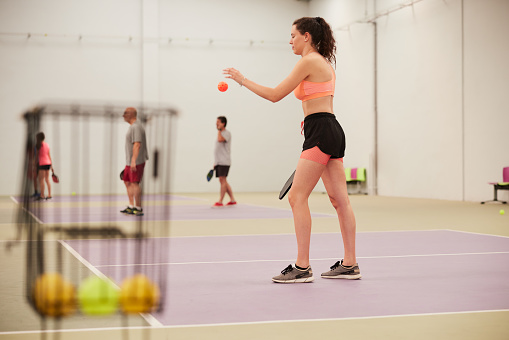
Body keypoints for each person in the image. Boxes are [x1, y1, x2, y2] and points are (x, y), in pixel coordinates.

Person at [223, 17, 361, 283]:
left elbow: (275, 95)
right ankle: (350, 264)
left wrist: (242, 79)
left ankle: (302, 267)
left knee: (297, 197)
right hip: (328, 129)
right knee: (339, 201)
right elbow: (316, 101)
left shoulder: (309, 61)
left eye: (293, 36)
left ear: (306, 36)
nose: (290, 41)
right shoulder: (323, 63)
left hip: (320, 131)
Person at [120, 107, 149, 216]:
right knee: (127, 182)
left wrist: (133, 161)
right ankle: (131, 206)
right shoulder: (132, 127)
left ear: (131, 114)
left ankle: (138, 207)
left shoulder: (136, 127)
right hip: (130, 161)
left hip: (136, 161)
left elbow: (137, 144)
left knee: (134, 183)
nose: (123, 115)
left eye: (125, 113)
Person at [212, 116, 236, 207]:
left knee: (223, 180)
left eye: (218, 122)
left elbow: (220, 140)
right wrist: (216, 162)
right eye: (216, 122)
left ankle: (220, 201)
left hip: (224, 161)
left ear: (223, 123)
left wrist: (219, 130)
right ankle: (232, 200)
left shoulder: (226, 133)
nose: (216, 124)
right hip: (219, 162)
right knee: (223, 181)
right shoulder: (221, 133)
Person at [35, 132, 53, 200]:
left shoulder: (38, 145)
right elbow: (49, 155)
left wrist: (34, 164)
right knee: (47, 179)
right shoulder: (47, 145)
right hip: (48, 163)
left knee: (41, 179)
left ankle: (42, 195)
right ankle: (49, 195)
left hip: (42, 163)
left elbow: (37, 156)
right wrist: (51, 165)